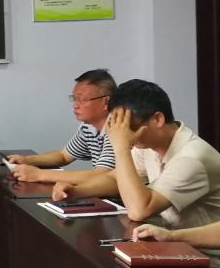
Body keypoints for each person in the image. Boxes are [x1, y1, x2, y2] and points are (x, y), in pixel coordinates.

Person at [52, 80, 220, 231]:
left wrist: (121, 146)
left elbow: (139, 210)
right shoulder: (147, 145)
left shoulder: (191, 159)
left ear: (158, 119)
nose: (124, 134)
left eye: (129, 127)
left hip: (207, 252)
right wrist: (77, 191)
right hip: (176, 240)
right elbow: (115, 178)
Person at [8, 69, 117, 184]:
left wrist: (39, 174)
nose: (75, 105)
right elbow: (64, 156)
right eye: (74, 99)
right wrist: (26, 160)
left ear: (106, 101)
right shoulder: (88, 126)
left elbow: (102, 175)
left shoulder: (118, 127)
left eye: (81, 99)